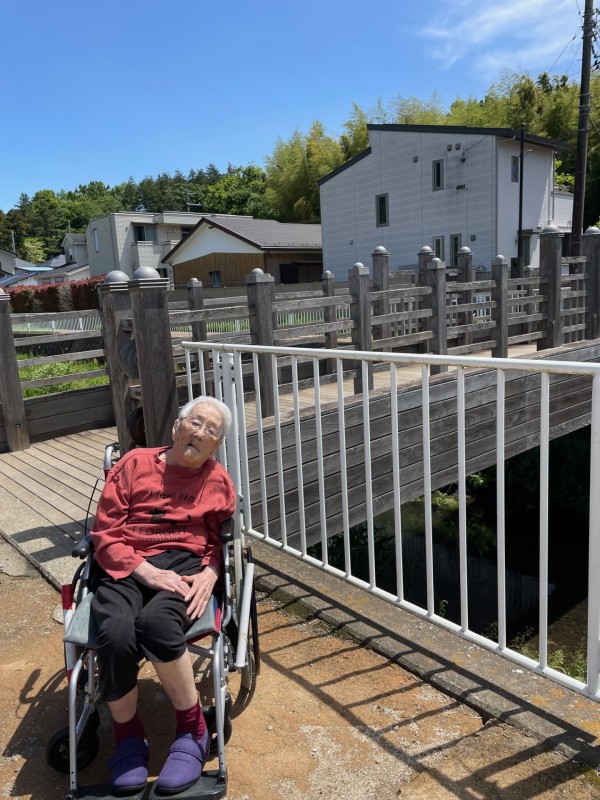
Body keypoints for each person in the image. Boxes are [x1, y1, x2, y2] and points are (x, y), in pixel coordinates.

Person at [90, 396, 236, 795]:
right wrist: (145, 570)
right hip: (128, 562)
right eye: (196, 422)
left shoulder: (218, 481)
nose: (200, 433)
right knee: (115, 632)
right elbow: (105, 533)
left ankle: (193, 729)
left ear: (217, 445)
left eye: (212, 431)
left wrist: (211, 572)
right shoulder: (133, 464)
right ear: (176, 427)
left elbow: (221, 540)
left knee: (156, 623)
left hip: (185, 564)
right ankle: (127, 735)